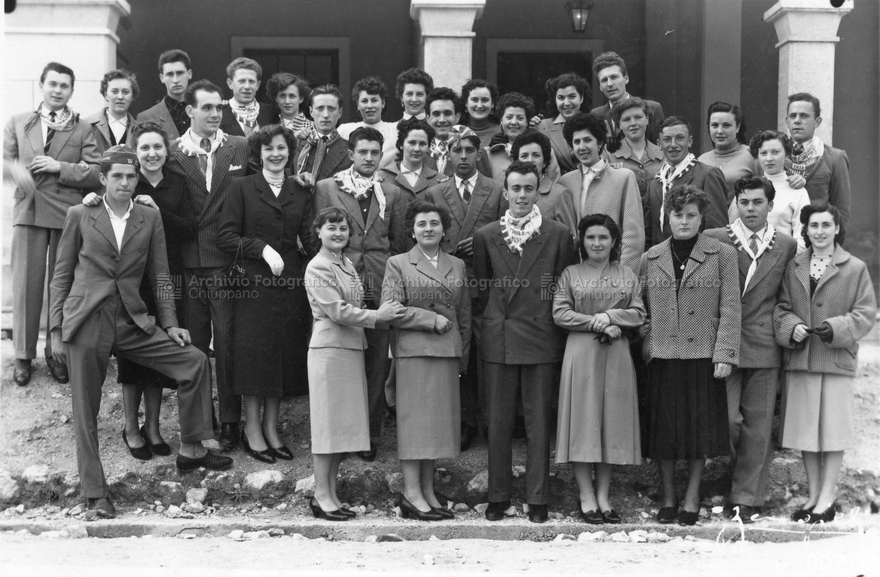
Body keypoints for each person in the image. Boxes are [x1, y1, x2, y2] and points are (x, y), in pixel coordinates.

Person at [49, 146, 233, 519]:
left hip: (134, 319)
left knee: (194, 361)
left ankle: (192, 447)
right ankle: (95, 494)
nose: (125, 182)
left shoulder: (149, 217)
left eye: (131, 176)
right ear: (103, 179)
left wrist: (169, 323)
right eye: (116, 176)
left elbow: (160, 275)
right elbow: (61, 276)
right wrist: (55, 329)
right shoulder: (80, 214)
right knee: (86, 409)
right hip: (87, 319)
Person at [82, 121, 199, 460]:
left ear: (167, 151)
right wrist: (93, 196)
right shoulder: (128, 180)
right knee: (133, 359)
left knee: (159, 354)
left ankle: (154, 427)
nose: (151, 154)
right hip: (130, 280)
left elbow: (191, 227)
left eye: (157, 147)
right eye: (144, 148)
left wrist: (158, 213)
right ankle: (131, 428)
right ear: (136, 154)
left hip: (165, 274)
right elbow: (101, 207)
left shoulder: (178, 183)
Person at [474, 161, 578, 524]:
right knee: (498, 422)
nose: (521, 195)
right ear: (505, 192)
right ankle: (497, 496)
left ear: (538, 192)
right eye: (515, 188)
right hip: (499, 337)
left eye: (528, 189)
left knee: (538, 422)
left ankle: (538, 498)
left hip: (540, 335)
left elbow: (562, 287)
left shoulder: (558, 234)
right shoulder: (487, 235)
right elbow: (483, 288)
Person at [639, 184, 741, 526]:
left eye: (691, 215)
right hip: (664, 353)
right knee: (664, 431)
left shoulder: (722, 254)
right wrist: (647, 339)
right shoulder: (650, 257)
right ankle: (668, 495)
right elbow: (640, 308)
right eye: (677, 214)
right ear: (667, 216)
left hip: (702, 353)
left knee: (698, 431)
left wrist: (724, 353)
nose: (684, 221)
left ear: (702, 218)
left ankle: (693, 495)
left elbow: (730, 306)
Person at [216, 124, 313, 463]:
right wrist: (261, 248)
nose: (275, 154)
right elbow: (225, 237)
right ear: (257, 155)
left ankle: (272, 429)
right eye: (268, 149)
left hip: (290, 287)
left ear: (291, 153)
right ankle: (252, 430)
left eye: (282, 149)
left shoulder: (300, 191)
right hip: (253, 286)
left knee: (282, 359)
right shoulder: (241, 188)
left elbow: (311, 240)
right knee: (256, 359)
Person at [703, 176, 798, 523]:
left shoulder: (785, 245)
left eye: (758, 202)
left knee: (758, 426)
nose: (751, 209)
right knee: (728, 421)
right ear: (736, 204)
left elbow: (788, 296)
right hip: (724, 343)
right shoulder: (716, 239)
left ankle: (747, 497)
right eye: (744, 202)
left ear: (770, 206)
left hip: (764, 343)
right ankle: (730, 478)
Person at [774, 203, 876, 524]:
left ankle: (828, 497)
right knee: (806, 430)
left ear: (836, 229)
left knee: (832, 430)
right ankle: (814, 494)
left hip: (834, 358)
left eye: (826, 225)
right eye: (813, 225)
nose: (819, 231)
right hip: (802, 358)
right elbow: (781, 307)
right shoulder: (793, 267)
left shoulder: (854, 267)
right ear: (805, 229)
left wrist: (837, 327)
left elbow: (865, 314)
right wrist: (792, 326)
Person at [3, 61, 102, 386]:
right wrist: (16, 172)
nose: (57, 90)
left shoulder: (82, 127)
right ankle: (23, 355)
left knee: (60, 285)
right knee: (26, 285)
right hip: (29, 210)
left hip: (66, 212)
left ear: (71, 90)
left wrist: (60, 166)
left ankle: (56, 352)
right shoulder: (19, 121)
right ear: (42, 86)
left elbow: (96, 170)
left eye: (64, 85)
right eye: (52, 84)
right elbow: (5, 161)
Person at [305, 207, 405, 520]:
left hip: (348, 347)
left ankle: (330, 494)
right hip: (330, 349)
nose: (338, 233)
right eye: (331, 228)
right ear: (318, 232)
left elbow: (353, 305)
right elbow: (338, 311)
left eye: (343, 229)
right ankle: (321, 496)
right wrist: (379, 316)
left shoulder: (345, 263)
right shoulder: (318, 266)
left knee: (340, 429)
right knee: (327, 428)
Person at [313, 126, 407, 460]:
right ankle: (343, 434)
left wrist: (394, 287)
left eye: (375, 152)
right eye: (362, 152)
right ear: (350, 154)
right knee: (343, 360)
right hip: (341, 283)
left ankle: (370, 434)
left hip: (381, 285)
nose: (369, 158)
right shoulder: (327, 187)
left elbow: (396, 245)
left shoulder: (391, 192)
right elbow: (317, 235)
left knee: (377, 363)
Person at [166, 79, 249, 450]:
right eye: (208, 108)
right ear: (189, 111)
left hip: (226, 262)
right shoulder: (170, 152)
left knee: (229, 342)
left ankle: (232, 420)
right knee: (197, 347)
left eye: (220, 108)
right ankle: (204, 424)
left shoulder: (240, 147)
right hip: (187, 262)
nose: (216, 114)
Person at [382, 200, 471, 520]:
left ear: (444, 229)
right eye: (422, 224)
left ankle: (428, 491)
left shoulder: (457, 265)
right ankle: (410, 493)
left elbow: (464, 316)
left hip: (446, 351)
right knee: (414, 427)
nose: (428, 229)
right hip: (414, 351)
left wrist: (463, 355)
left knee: (436, 428)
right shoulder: (398, 263)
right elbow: (390, 309)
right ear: (412, 230)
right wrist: (428, 319)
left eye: (434, 223)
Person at [553, 213, 646, 524]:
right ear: (582, 241)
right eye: (591, 237)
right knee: (584, 420)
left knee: (610, 423)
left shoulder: (627, 275)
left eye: (603, 237)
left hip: (616, 356)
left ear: (614, 242)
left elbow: (638, 313)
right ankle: (585, 495)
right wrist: (595, 323)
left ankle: (604, 495)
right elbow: (560, 313)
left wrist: (610, 317)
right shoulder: (571, 273)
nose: (597, 243)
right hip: (582, 353)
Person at [421, 125, 506, 450]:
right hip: (449, 284)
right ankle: (462, 420)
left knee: (486, 351)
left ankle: (490, 420)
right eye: (457, 151)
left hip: (485, 284)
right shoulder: (436, 193)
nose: (464, 156)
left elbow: (505, 234)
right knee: (457, 351)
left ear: (479, 154)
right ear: (448, 156)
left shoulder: (495, 190)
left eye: (470, 150)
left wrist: (485, 242)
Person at [558, 113, 644, 270]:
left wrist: (623, 278)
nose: (581, 147)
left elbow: (633, 235)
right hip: (578, 276)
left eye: (587, 140)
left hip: (613, 274)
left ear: (600, 143)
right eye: (576, 142)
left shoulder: (623, 177)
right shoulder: (565, 182)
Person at [644, 116, 728, 250]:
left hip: (698, 262)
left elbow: (716, 231)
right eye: (667, 139)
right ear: (659, 144)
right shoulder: (654, 184)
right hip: (662, 264)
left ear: (690, 141)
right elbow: (649, 234)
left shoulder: (708, 175)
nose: (673, 145)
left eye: (679, 138)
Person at [784, 93, 851, 244]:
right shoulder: (776, 155)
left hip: (816, 241)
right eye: (792, 116)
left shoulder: (835, 157)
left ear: (817, 121)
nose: (797, 121)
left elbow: (842, 210)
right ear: (786, 121)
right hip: (780, 241)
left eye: (804, 116)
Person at [729, 130, 811, 253]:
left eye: (775, 152)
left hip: (782, 261)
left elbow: (802, 239)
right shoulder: (747, 188)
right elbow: (733, 229)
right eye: (763, 153)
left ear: (787, 155)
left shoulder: (798, 192)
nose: (769, 158)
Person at [511, 130, 576, 235]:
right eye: (524, 156)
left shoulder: (559, 194)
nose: (530, 160)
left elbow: (570, 238)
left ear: (545, 162)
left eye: (536, 155)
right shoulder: (511, 192)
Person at [590, 51, 664, 144]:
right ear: (600, 86)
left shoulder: (653, 108)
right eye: (604, 80)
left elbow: (659, 147)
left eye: (614, 77)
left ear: (626, 78)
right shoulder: (596, 115)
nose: (609, 84)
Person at [483, 92, 555, 183]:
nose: (514, 122)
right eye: (509, 117)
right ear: (501, 120)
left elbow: (554, 186)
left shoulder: (545, 150)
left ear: (527, 122)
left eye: (520, 118)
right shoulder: (488, 154)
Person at [293, 84, 352, 188]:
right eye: (320, 108)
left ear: (340, 112)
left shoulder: (349, 150)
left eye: (331, 109)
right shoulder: (297, 145)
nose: (325, 115)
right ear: (311, 111)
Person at [605, 97, 663, 199]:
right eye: (626, 119)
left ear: (647, 120)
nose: (633, 123)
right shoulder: (609, 154)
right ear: (620, 125)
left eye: (638, 117)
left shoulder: (662, 153)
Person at [378, 117, 440, 210]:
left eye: (422, 144)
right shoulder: (381, 178)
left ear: (428, 147)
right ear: (401, 145)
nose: (417, 149)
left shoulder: (439, 181)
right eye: (412, 143)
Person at [337, 76, 399, 168]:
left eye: (374, 100)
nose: (369, 106)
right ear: (357, 104)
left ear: (383, 103)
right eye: (364, 101)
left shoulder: (395, 130)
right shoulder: (344, 130)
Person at [536, 73, 590, 175]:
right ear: (555, 100)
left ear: (581, 98)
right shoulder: (541, 127)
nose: (566, 103)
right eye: (561, 98)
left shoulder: (596, 124)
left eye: (572, 96)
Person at [137, 49, 192, 140]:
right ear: (162, 78)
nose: (175, 80)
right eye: (170, 74)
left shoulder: (204, 110)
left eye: (180, 73)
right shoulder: (146, 118)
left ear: (189, 74)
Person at [219, 57, 274, 139]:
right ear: (230, 83)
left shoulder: (271, 112)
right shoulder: (220, 113)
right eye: (241, 81)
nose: (247, 86)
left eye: (251, 81)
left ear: (258, 85)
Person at [87, 69, 138, 152]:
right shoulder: (88, 125)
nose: (120, 97)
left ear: (132, 96)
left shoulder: (139, 129)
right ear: (106, 95)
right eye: (115, 91)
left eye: (125, 92)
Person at [424, 87, 461, 177]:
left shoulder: (469, 149)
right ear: (428, 118)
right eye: (436, 114)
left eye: (447, 113)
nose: (442, 120)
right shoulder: (420, 149)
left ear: (457, 117)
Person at [461, 79, 500, 148]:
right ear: (466, 103)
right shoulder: (457, 131)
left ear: (492, 104)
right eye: (474, 100)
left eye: (485, 100)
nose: (479, 105)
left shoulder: (501, 132)